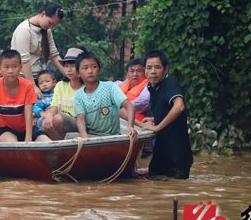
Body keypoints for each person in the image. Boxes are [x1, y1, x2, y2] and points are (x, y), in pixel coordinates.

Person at [141, 50, 193, 179]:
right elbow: (168, 107)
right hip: (161, 154)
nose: (153, 71)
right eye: (149, 68)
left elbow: (179, 106)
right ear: (144, 70)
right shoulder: (152, 87)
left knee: (174, 192)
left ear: (165, 69)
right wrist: (155, 119)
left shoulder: (170, 82)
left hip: (177, 157)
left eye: (157, 67)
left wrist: (157, 127)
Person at [0, 49, 51, 142]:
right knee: (12, 144)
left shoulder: (27, 85)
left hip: (26, 128)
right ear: (0, 68)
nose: (10, 71)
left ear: (20, 67)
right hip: (4, 129)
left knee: (46, 142)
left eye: (14, 67)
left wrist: (28, 139)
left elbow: (28, 113)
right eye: (6, 67)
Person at [74, 52, 136, 140]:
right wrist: (84, 136)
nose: (90, 71)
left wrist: (130, 127)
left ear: (99, 69)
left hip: (113, 137)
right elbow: (80, 119)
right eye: (85, 68)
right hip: (92, 137)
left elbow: (129, 106)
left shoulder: (109, 87)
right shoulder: (79, 95)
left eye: (94, 67)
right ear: (78, 73)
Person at [11, 2, 65, 97]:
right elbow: (24, 61)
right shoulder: (24, 29)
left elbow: (54, 55)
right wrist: (33, 86)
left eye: (54, 25)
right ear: (43, 14)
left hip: (39, 78)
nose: (51, 27)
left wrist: (69, 74)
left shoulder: (46, 30)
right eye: (50, 23)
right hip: (23, 79)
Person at [41, 47, 86, 140]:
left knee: (58, 118)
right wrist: (48, 116)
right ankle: (61, 149)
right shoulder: (60, 85)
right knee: (46, 123)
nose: (69, 70)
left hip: (82, 122)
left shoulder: (87, 87)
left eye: (72, 66)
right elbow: (54, 106)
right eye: (66, 66)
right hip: (63, 121)